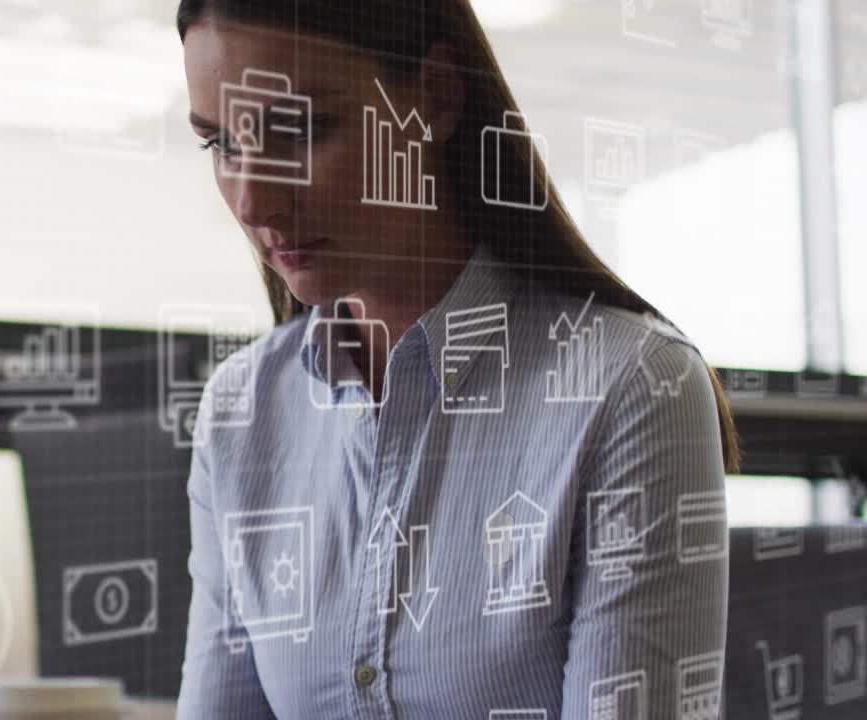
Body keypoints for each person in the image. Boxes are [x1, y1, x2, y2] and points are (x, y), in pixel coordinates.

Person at [174, 1, 739, 718]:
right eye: (221, 144)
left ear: (435, 97)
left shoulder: (631, 387)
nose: (253, 201)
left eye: (301, 129)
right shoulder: (242, 411)